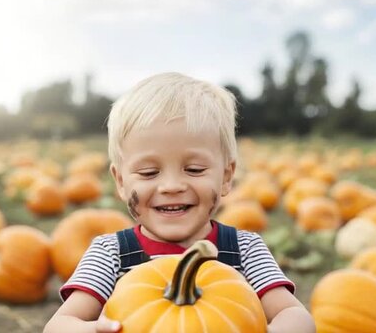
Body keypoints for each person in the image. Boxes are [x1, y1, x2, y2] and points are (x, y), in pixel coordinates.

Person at [43, 72, 315, 333]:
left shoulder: (245, 250)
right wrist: (96, 329)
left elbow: (293, 314)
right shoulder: (110, 254)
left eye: (194, 169)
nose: (171, 186)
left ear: (226, 176)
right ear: (121, 182)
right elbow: (60, 325)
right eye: (149, 173)